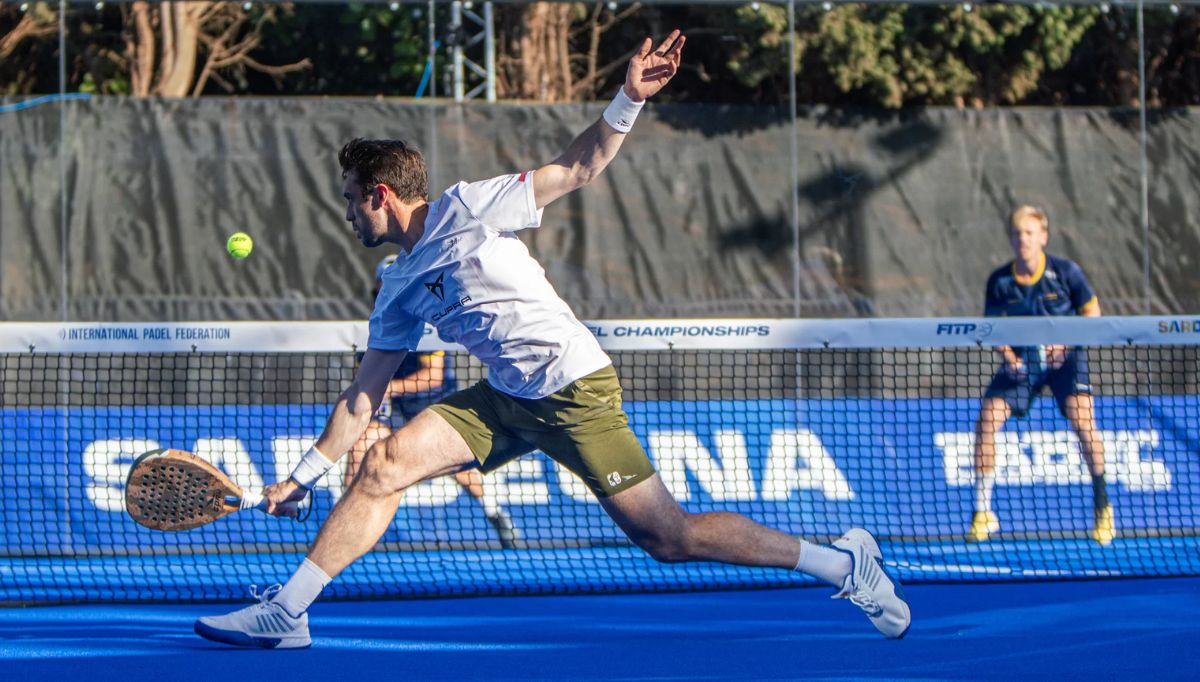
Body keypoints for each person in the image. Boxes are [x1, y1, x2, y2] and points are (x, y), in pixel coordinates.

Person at [194, 30, 910, 649]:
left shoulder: (470, 207)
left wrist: (629, 97)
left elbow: (580, 166)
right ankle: (287, 612)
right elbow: (363, 397)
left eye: (351, 200)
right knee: (383, 463)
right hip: (505, 398)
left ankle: (843, 563)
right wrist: (301, 479)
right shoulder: (397, 283)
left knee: (668, 537)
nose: (348, 215)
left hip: (575, 390)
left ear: (381, 194)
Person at [345, 254, 519, 549]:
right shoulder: (372, 330)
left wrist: (391, 388)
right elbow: (369, 379)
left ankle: (496, 514)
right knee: (358, 454)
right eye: (386, 288)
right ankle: (347, 530)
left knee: (460, 469)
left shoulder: (427, 326)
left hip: (435, 407)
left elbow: (432, 378)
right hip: (394, 409)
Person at [966, 205, 1113, 545]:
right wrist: (1010, 357)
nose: (1023, 240)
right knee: (987, 418)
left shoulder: (1066, 272)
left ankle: (1103, 506)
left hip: (1066, 360)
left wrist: (1067, 344)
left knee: (1083, 420)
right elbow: (993, 329)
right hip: (1023, 364)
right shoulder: (1000, 281)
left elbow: (1092, 313)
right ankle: (982, 512)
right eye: (1017, 234)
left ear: (1043, 237)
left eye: (1030, 233)